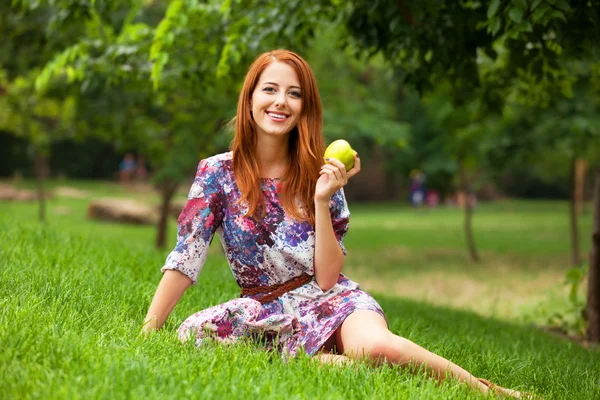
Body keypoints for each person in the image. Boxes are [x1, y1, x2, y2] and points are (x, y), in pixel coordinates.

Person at [142, 50, 529, 399]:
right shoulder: (216, 172)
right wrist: (149, 329)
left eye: (294, 94)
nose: (280, 102)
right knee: (195, 334)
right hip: (268, 312)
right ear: (250, 98)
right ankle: (321, 358)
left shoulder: (322, 174)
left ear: (305, 107)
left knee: (377, 349)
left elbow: (328, 277)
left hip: (332, 300)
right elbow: (186, 256)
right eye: (270, 89)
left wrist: (322, 198)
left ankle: (491, 392)